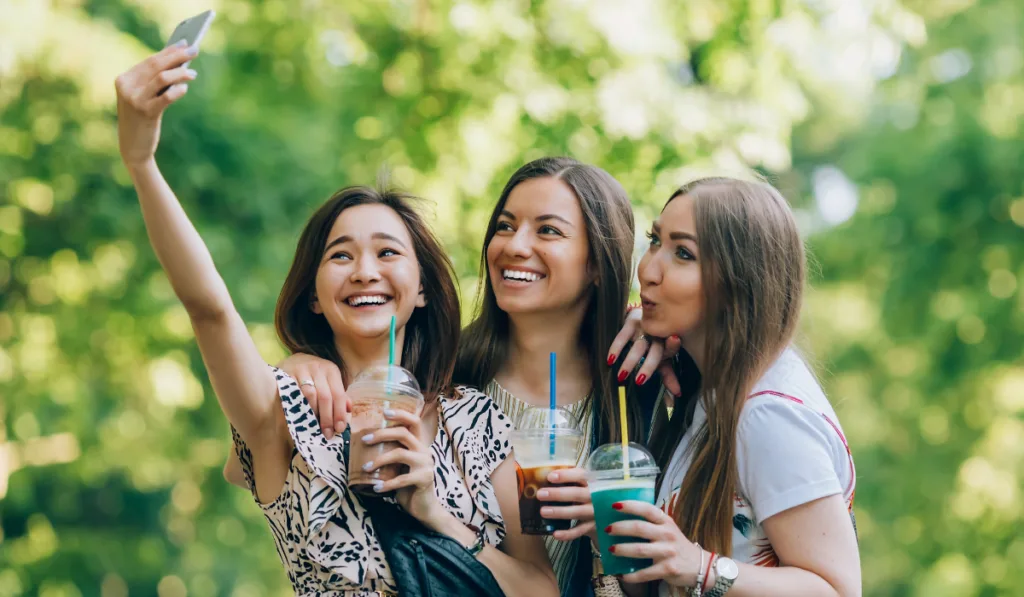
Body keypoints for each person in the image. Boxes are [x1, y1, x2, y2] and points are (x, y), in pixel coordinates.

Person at [115, 44, 556, 596]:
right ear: (315, 297)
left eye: (388, 253)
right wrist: (141, 162)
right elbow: (209, 309)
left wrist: (434, 514)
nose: (365, 271)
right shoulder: (282, 411)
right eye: (341, 255)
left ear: (421, 289)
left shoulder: (480, 420)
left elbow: (542, 588)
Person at [257, 157, 667, 596]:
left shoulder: (642, 385)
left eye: (547, 230)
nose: (514, 245)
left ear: (598, 264)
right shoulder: (444, 381)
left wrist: (606, 530)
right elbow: (267, 460)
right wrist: (299, 364)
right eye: (505, 226)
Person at [605, 178, 861, 596]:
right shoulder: (714, 391)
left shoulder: (767, 415)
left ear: (738, 283)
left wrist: (702, 567)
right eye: (655, 241)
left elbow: (837, 590)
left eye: (683, 253)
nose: (648, 269)